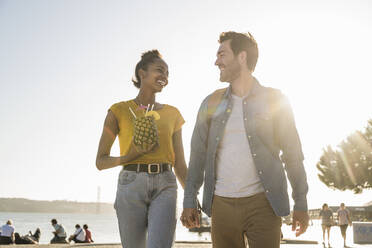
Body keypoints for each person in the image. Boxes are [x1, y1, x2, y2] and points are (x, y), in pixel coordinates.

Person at [181, 31, 309, 248]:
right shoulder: (210, 102)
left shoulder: (276, 100)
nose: (216, 61)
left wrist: (301, 203)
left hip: (263, 204)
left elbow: (293, 155)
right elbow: (197, 156)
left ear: (241, 56)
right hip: (221, 205)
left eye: (222, 54)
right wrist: (189, 199)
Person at [96, 50, 188, 248]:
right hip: (130, 183)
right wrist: (129, 156)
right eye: (159, 70)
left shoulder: (173, 114)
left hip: (165, 183)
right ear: (142, 73)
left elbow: (179, 162)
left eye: (167, 73)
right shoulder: (118, 111)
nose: (164, 76)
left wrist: (190, 197)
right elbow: (100, 161)